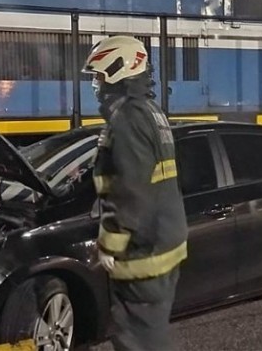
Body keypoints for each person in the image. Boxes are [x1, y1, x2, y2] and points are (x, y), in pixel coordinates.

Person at [81, 36, 188, 351]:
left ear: (119, 70)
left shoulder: (127, 117)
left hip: (143, 248)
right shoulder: (151, 112)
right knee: (150, 331)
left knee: (136, 338)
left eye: (100, 76)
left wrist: (111, 244)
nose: (97, 85)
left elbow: (130, 188)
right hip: (164, 238)